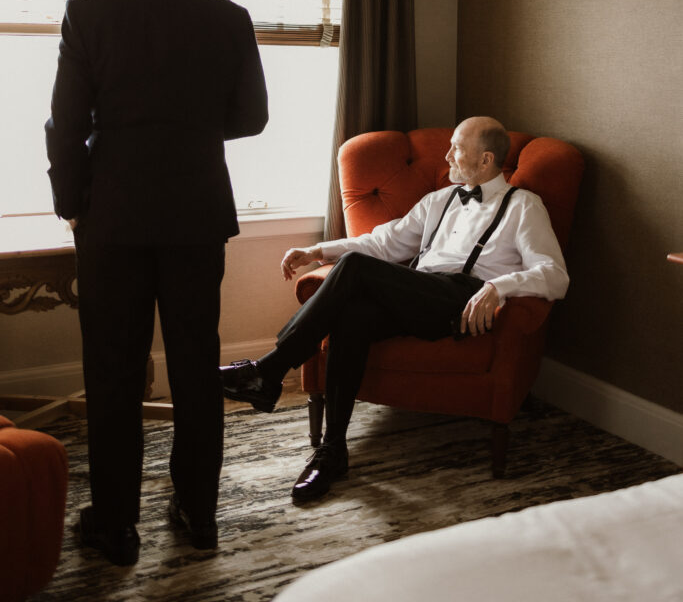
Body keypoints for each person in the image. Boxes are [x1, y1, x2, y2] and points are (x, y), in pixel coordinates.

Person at [45, 0, 268, 565]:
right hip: (197, 214)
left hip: (111, 214)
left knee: (113, 371)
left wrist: (69, 203)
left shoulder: (89, 14)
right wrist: (191, 129)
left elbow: (65, 120)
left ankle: (115, 526)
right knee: (195, 364)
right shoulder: (229, 18)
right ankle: (198, 515)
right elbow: (252, 117)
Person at [221, 116, 568, 505]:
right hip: (417, 295)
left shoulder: (523, 206)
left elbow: (555, 275)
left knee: (352, 269)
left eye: (457, 147)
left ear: (486, 160)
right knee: (351, 317)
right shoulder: (440, 200)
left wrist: (499, 287)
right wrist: (318, 251)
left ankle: (268, 371)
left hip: (462, 302)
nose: (447, 155)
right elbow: (385, 242)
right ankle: (333, 451)